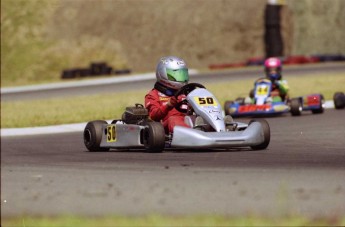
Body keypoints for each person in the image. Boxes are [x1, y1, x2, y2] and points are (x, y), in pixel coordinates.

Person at [145, 56, 190, 134]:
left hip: (188, 121)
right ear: (162, 74)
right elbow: (154, 116)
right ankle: (190, 135)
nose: (181, 78)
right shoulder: (153, 95)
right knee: (174, 119)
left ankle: (213, 131)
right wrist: (168, 105)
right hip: (164, 128)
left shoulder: (187, 92)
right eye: (175, 75)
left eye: (182, 74)